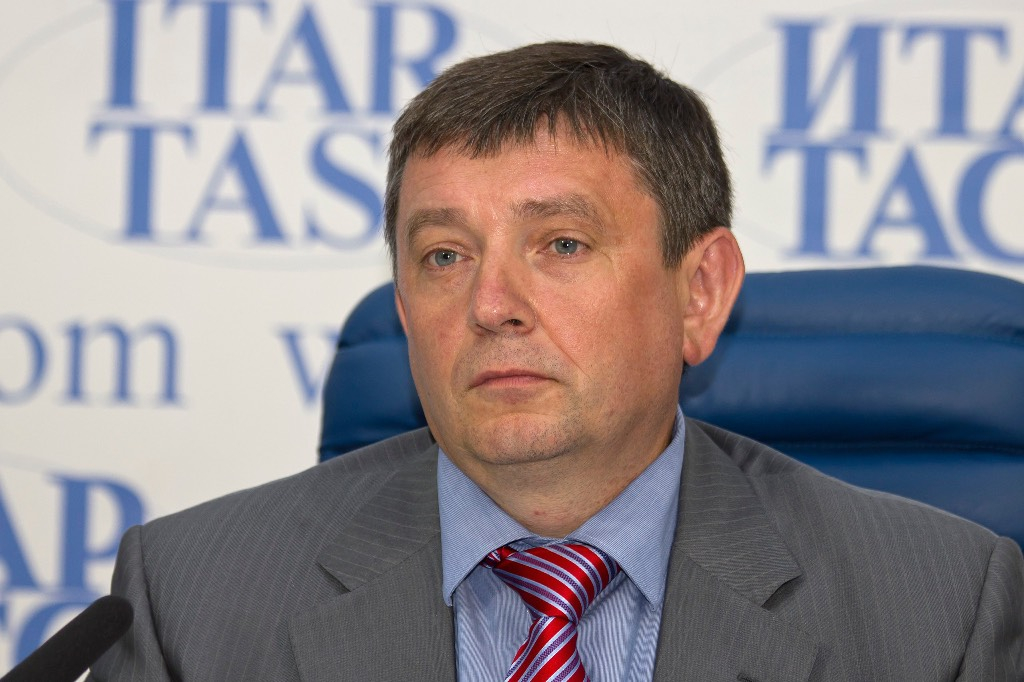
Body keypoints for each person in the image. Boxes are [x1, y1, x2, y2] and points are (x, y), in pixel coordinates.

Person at [90, 42, 1023, 681]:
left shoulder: (938, 611)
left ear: (699, 292)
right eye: (444, 256)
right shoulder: (192, 600)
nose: (490, 304)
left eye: (563, 244)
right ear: (405, 308)